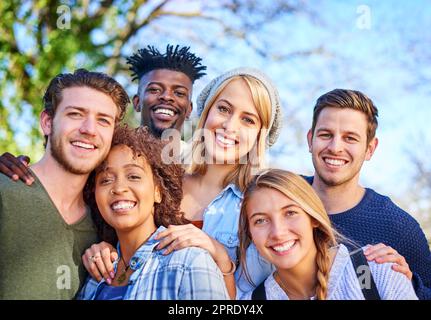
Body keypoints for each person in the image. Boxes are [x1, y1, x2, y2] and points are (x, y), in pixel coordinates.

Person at [81, 67, 283, 299]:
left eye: (248, 120)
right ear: (206, 112)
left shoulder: (261, 206)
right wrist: (106, 249)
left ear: (260, 134)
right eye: (224, 109)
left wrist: (219, 254)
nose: (230, 126)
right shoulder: (164, 178)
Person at [0, 69, 129, 299]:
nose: (89, 130)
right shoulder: (5, 192)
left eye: (103, 120)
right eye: (76, 114)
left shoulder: (104, 226)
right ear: (47, 122)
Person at [0, 44, 206, 184]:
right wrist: (12, 168)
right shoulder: (104, 150)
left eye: (179, 93)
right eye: (154, 90)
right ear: (136, 102)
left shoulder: (199, 164)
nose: (166, 97)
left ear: (189, 109)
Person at [305, 89, 431, 299]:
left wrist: (408, 282)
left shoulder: (398, 227)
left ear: (370, 148)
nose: (335, 147)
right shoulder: (279, 198)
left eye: (350, 138)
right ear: (310, 140)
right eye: (326, 135)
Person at [78, 126, 229, 300]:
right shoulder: (96, 274)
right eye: (105, 180)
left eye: (133, 176)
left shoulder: (189, 263)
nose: (119, 188)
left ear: (158, 191)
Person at [239, 169, 418, 300]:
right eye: (260, 220)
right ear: (251, 234)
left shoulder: (377, 271)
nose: (277, 232)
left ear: (313, 218)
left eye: (290, 213)